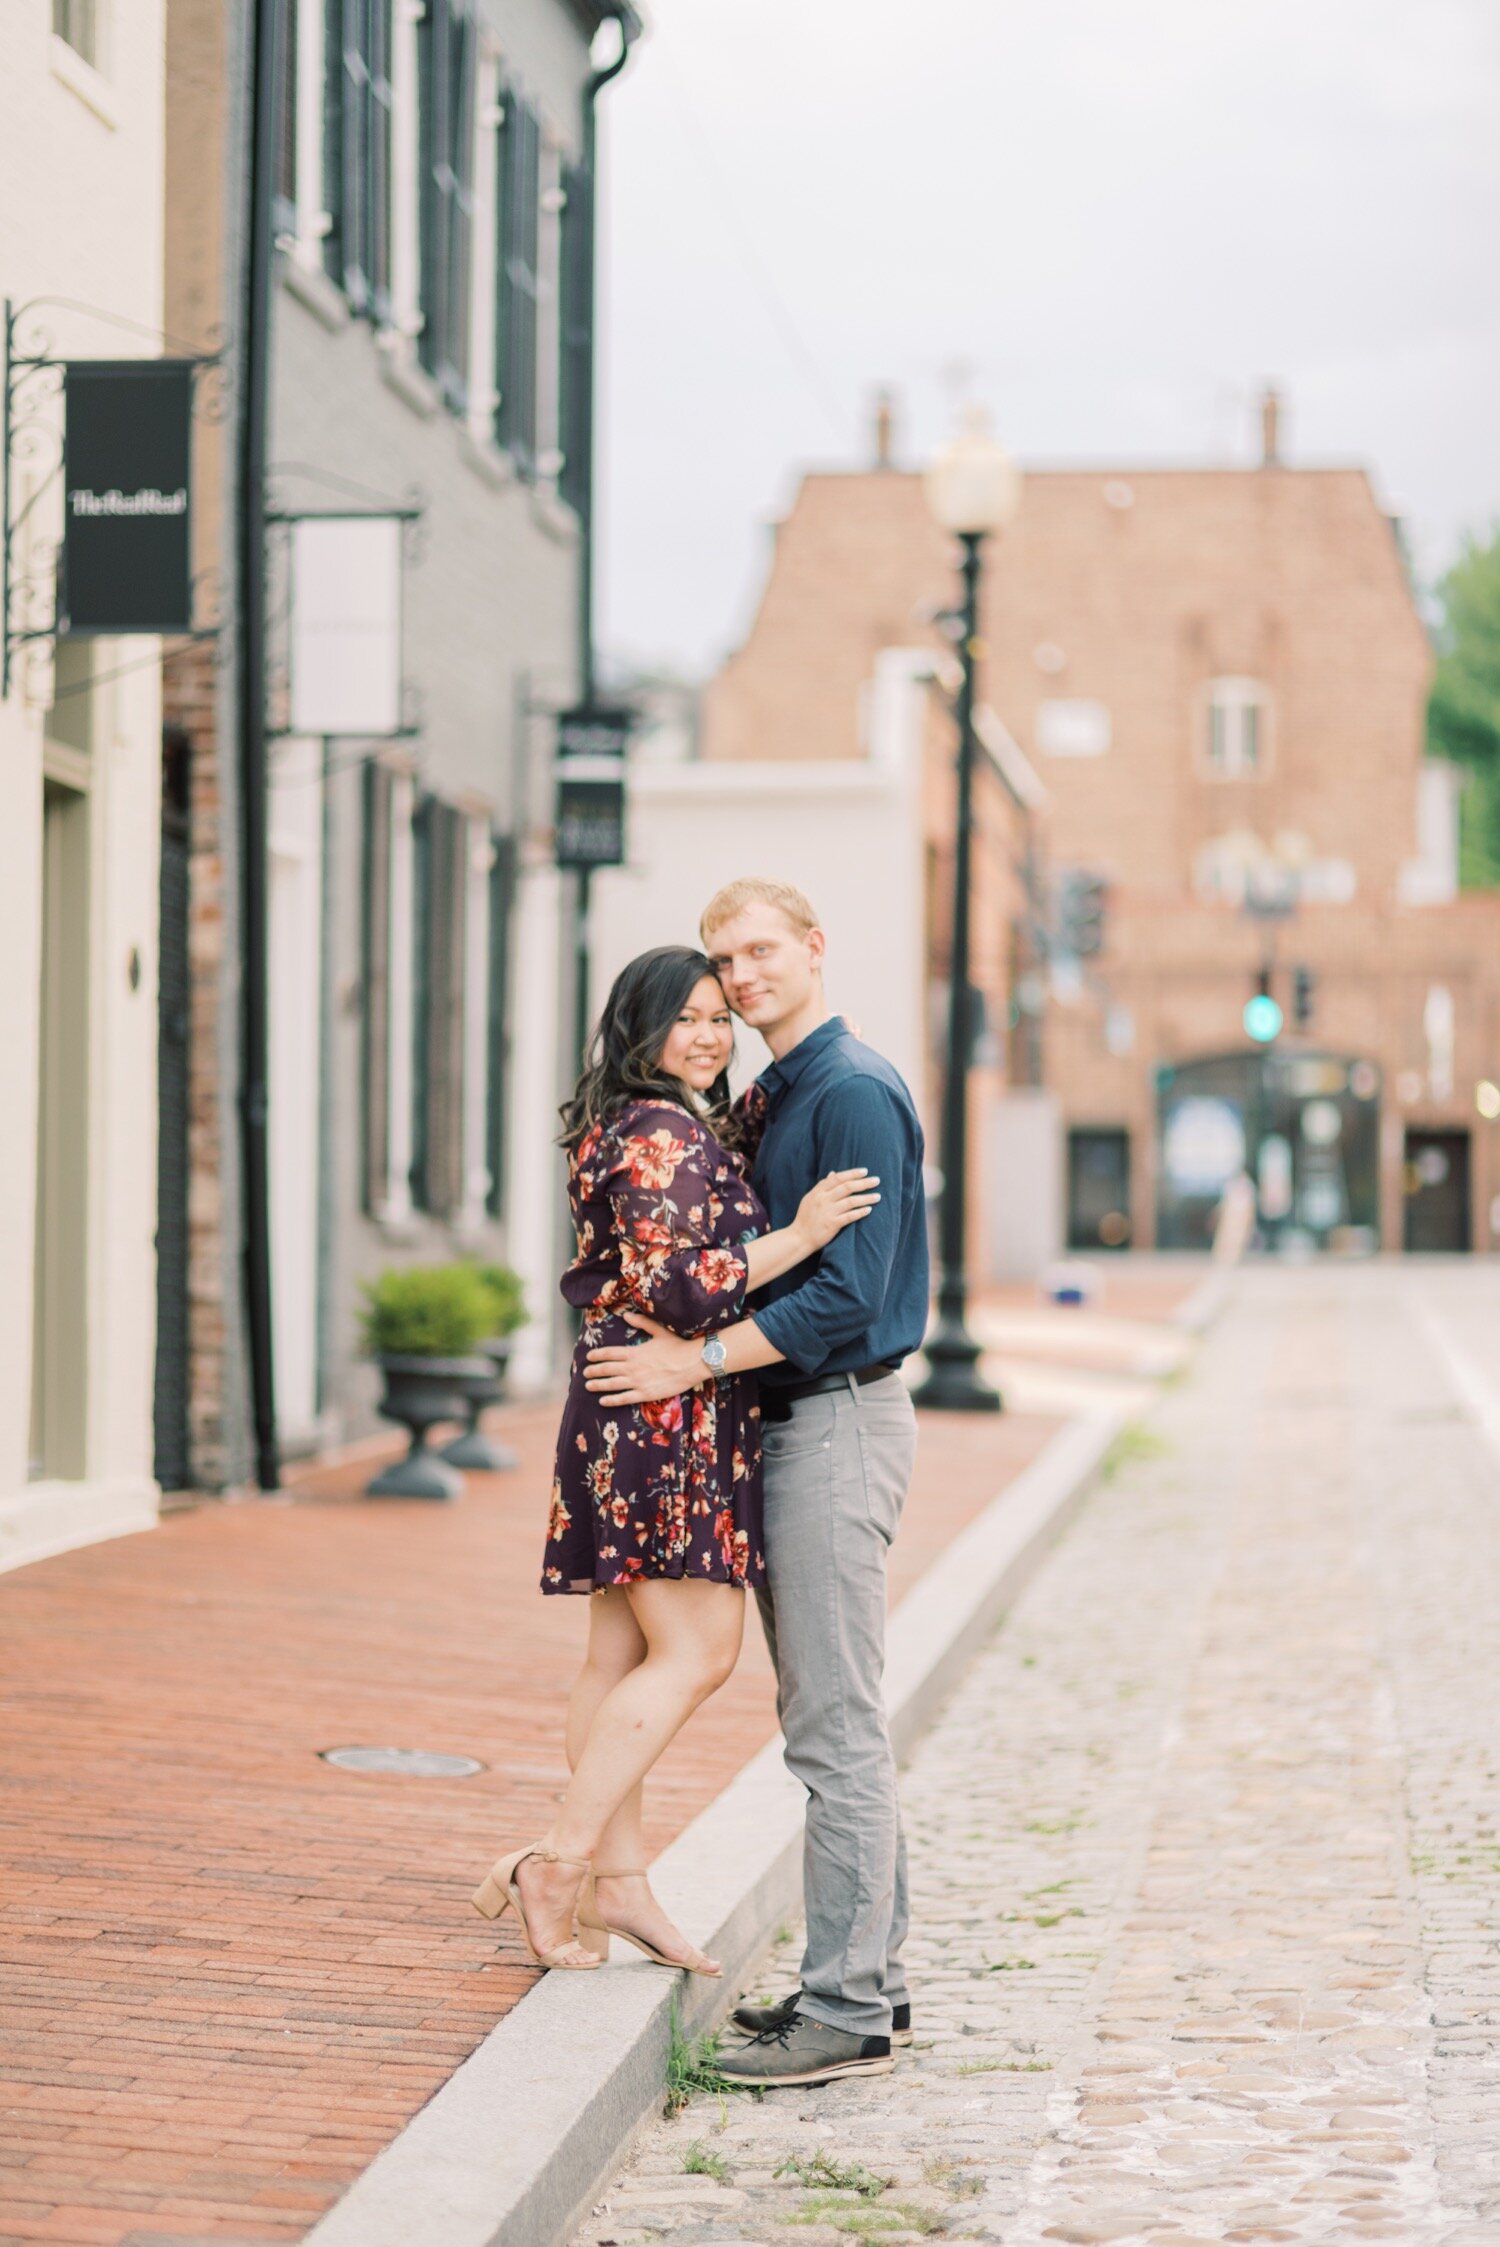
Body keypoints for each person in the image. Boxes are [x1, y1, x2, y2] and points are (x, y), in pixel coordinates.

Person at [472, 944, 879, 1977]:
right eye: (684, 1018)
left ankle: (624, 1886)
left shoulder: (650, 1121)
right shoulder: (656, 1132)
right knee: (701, 1652)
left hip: (636, 1407)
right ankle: (558, 1862)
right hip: (662, 1416)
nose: (706, 1034)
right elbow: (681, 1287)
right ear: (636, 1028)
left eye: (717, 1018)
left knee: (616, 1658)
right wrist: (801, 1232)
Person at [585, 881, 929, 2088]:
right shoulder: (771, 1095)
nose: (741, 976)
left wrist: (695, 1357)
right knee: (827, 1725)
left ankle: (846, 2010)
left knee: (834, 1731)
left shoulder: (851, 1093)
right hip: (790, 1427)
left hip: (833, 1422)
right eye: (726, 959)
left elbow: (845, 1296)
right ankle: (864, 1986)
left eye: (763, 949)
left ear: (817, 948)